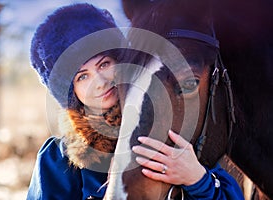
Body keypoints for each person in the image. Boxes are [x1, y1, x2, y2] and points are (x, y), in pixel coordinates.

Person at [27, 3, 244, 200]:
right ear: (71, 92)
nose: (100, 82)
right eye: (82, 76)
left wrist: (200, 181)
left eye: (104, 64)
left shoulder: (168, 122)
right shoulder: (57, 159)